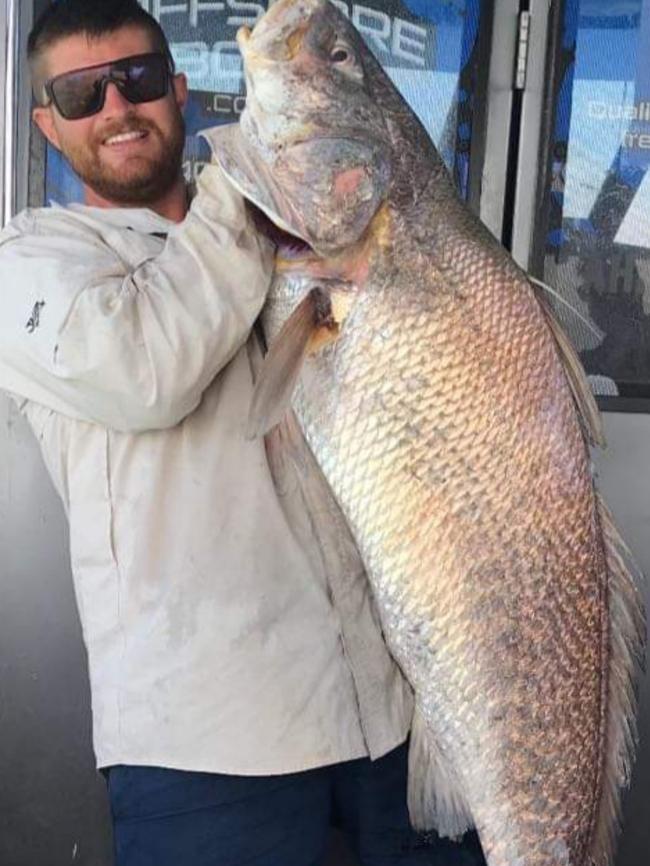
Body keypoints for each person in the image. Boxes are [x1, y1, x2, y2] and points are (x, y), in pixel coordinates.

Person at [0, 2, 486, 865]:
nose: (116, 107)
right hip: (207, 750)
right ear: (47, 125)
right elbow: (144, 369)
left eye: (139, 79)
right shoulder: (32, 261)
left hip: (390, 720)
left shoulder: (289, 233)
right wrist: (260, 176)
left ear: (179, 90)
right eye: (82, 94)